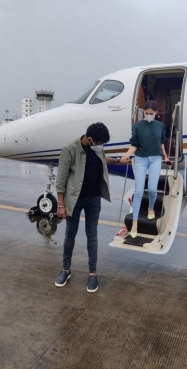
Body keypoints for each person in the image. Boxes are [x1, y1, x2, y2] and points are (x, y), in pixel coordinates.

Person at [55, 122, 121, 292]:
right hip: (74, 200)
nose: (100, 147)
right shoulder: (70, 148)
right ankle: (65, 269)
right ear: (90, 139)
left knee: (92, 234)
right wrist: (60, 205)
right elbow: (61, 179)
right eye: (99, 143)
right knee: (71, 233)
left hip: (93, 199)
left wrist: (119, 160)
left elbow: (102, 159)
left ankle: (92, 273)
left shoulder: (97, 148)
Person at [120, 100, 169, 238]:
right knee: (139, 191)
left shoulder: (160, 126)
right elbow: (134, 144)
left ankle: (151, 208)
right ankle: (135, 221)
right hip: (140, 159)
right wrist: (127, 155)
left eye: (151, 114)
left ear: (156, 113)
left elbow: (161, 143)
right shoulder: (137, 126)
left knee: (153, 189)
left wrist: (165, 157)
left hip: (155, 159)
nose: (148, 116)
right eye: (146, 113)